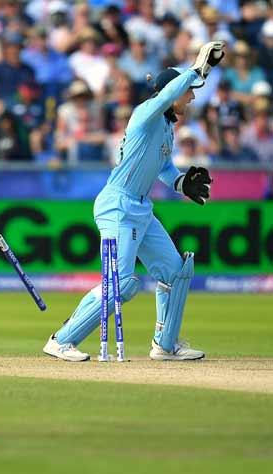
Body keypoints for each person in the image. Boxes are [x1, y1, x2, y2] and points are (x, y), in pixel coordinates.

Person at [42, 41, 226, 362]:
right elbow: (168, 94)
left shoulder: (166, 127)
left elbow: (165, 168)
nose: (192, 96)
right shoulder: (146, 113)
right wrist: (200, 68)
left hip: (141, 208)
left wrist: (182, 183)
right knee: (122, 283)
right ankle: (62, 340)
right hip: (117, 205)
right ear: (172, 91)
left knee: (176, 272)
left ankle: (165, 345)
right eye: (189, 90)